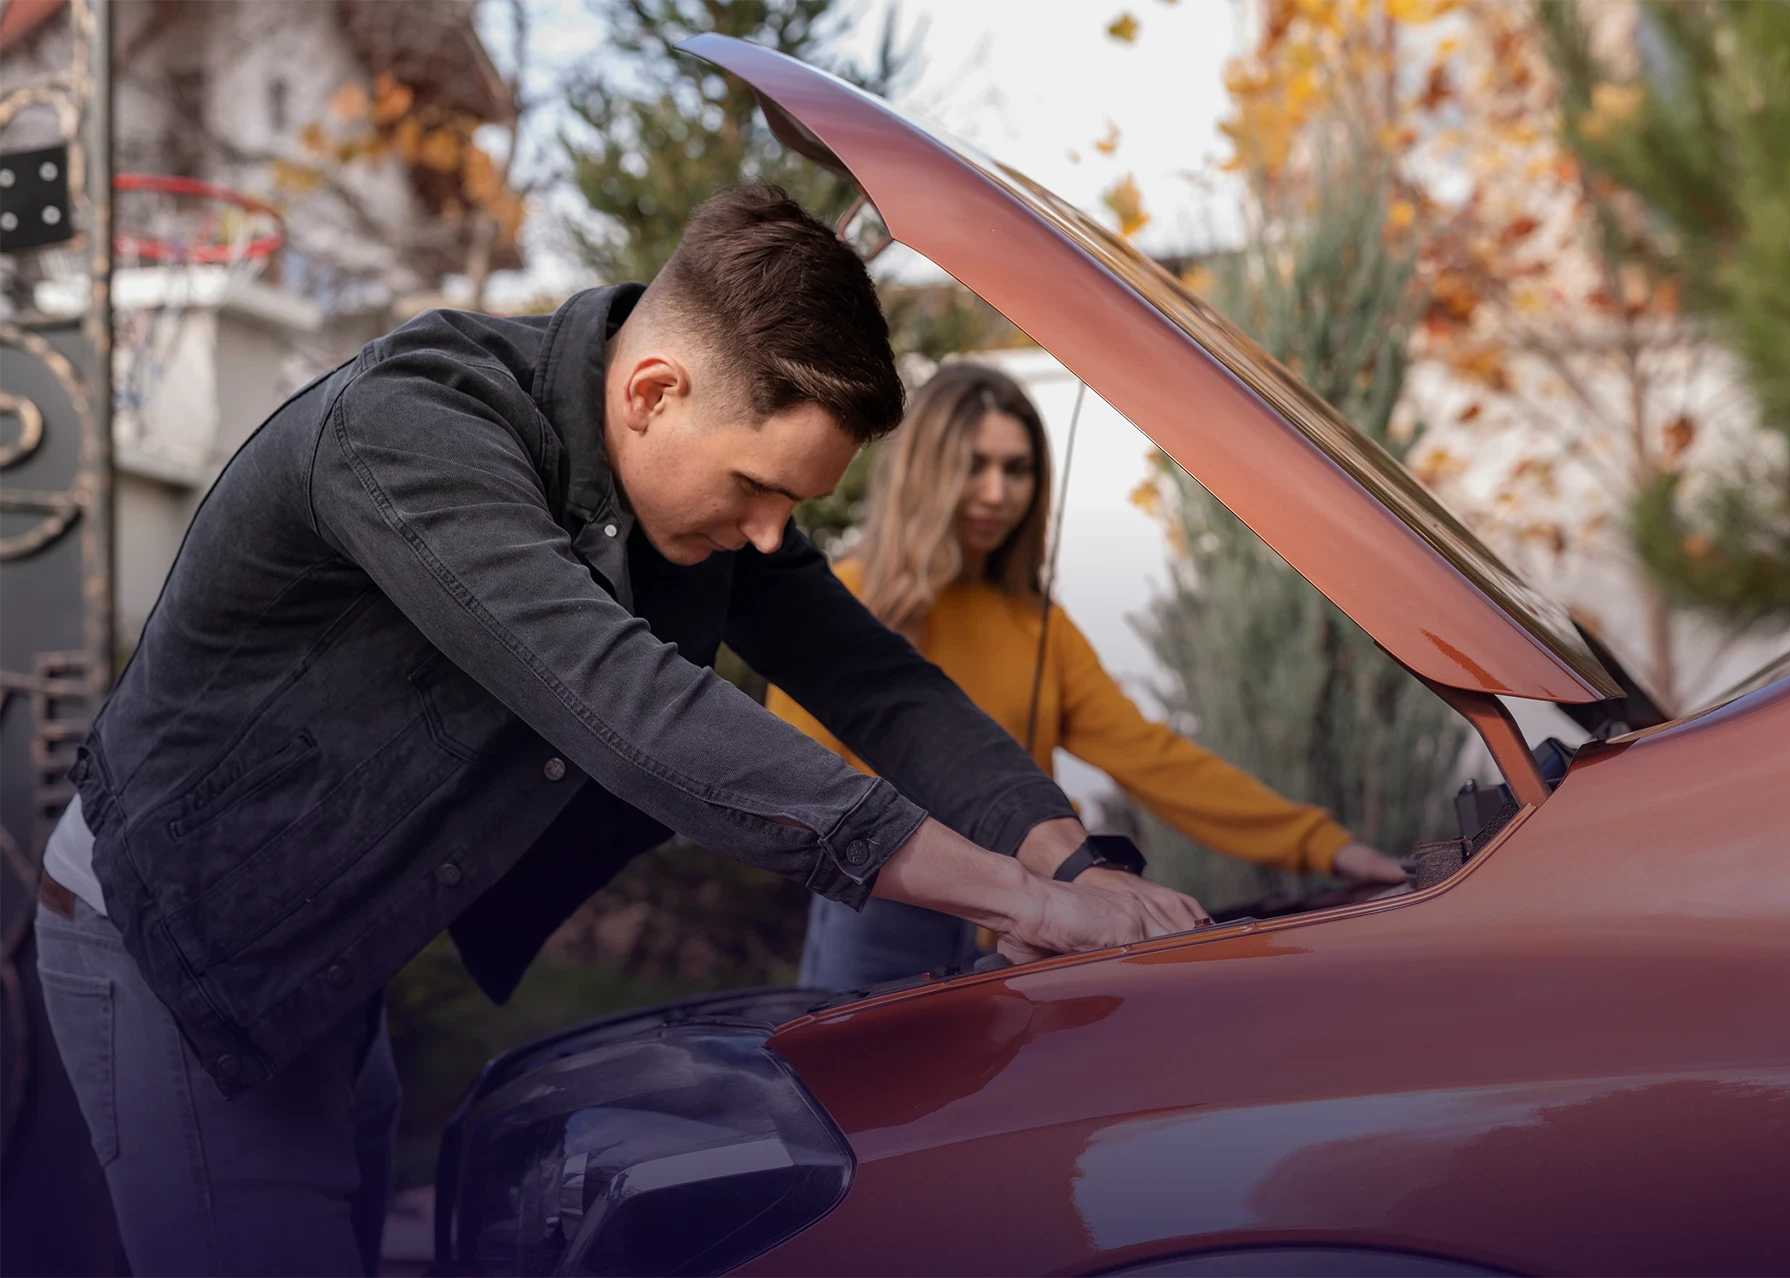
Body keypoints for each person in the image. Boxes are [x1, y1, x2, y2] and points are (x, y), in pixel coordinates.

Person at [30, 187, 1205, 1277]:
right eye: (758, 488)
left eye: (792, 503)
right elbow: (633, 705)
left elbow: (875, 681)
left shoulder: (693, 488)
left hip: (326, 947)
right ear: (652, 392)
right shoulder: (412, 436)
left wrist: (1075, 862)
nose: (766, 535)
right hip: (180, 940)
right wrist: (1019, 904)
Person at [768, 363, 1408, 991]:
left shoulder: (1037, 625)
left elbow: (1157, 761)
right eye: (973, 465)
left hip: (1030, 930)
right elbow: (803, 798)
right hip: (883, 923)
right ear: (924, 472)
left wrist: (1324, 846)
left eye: (1017, 469)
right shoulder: (846, 606)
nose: (997, 493)